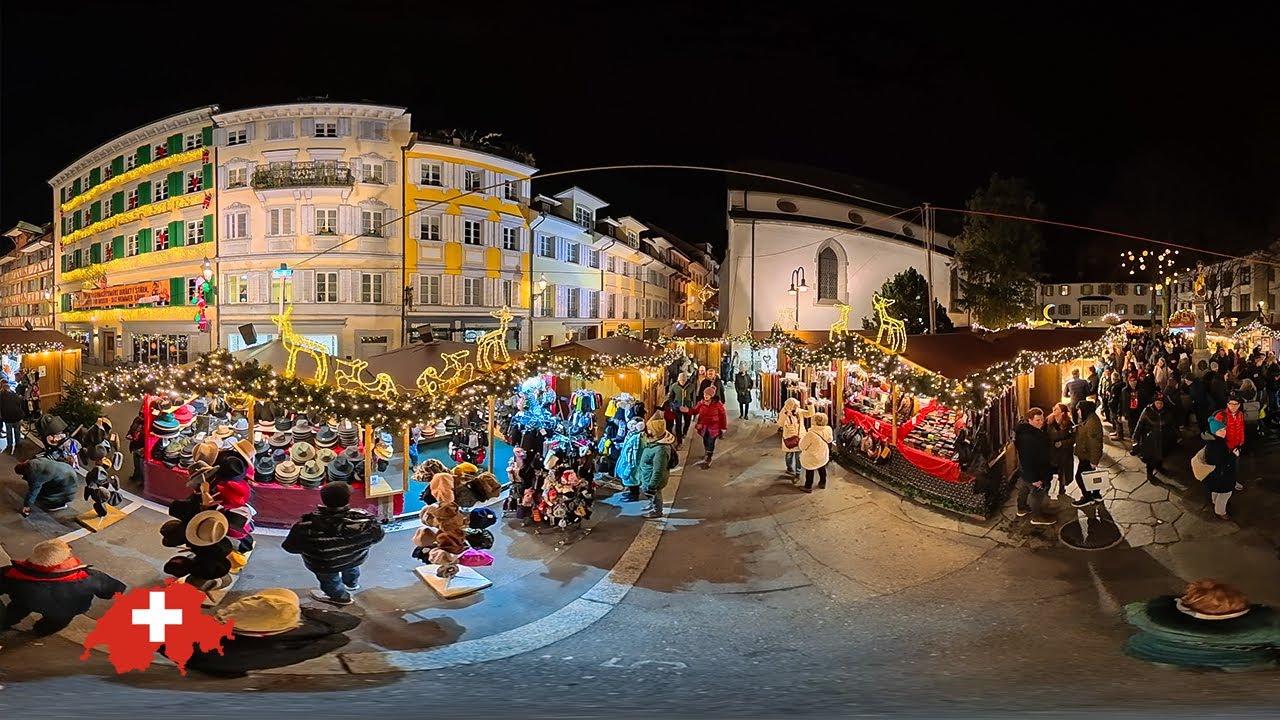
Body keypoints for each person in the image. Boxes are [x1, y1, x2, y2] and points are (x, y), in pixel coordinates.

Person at [184, 588, 359, 678]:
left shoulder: (192, 641)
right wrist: (300, 612)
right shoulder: (298, 644)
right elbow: (346, 627)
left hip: (219, 667)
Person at [281, 481, 385, 606]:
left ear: (323, 499)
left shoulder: (305, 526)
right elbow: (378, 537)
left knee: (330, 581)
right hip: (354, 557)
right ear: (348, 498)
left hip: (324, 565)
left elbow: (290, 547)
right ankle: (352, 584)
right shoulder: (365, 519)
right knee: (351, 568)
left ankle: (340, 597)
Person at [0, 539, 125, 635]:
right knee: (53, 624)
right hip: (64, 611)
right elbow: (112, 592)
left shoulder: (12, 574)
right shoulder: (90, 578)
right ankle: (40, 631)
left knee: (14, 612)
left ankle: (4, 624)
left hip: (25, 602)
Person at [1014, 408, 1055, 525]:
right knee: (1037, 493)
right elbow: (1028, 459)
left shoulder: (1027, 431)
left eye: (1042, 419)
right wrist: (1035, 478)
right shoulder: (1030, 437)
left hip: (1026, 470)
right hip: (1036, 471)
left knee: (1024, 487)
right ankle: (1037, 517)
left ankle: (1022, 508)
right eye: (1037, 420)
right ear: (1030, 420)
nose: (1041, 422)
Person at [1133, 393, 1176, 485]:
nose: (1159, 405)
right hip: (1151, 439)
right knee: (1151, 458)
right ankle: (1150, 474)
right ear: (1154, 402)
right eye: (1157, 403)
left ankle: (1159, 467)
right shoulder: (1147, 411)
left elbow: (1171, 424)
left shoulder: (1167, 411)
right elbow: (1139, 425)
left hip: (1163, 438)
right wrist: (1135, 439)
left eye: (1161, 403)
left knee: (1161, 454)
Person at [636, 417, 675, 519]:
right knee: (653, 494)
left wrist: (652, 486)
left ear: (654, 432)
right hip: (648, 475)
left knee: (655, 494)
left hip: (652, 478)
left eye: (649, 429)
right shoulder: (655, 442)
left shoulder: (660, 450)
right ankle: (653, 505)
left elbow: (658, 470)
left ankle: (657, 511)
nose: (647, 431)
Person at [1203, 416, 1239, 521]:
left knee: (1216, 490)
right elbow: (1222, 464)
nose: (1224, 432)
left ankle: (1215, 502)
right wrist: (1233, 455)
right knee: (1225, 494)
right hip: (1221, 475)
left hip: (1215, 476)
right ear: (1214, 432)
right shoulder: (1217, 446)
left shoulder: (1215, 442)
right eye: (1220, 430)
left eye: (1224, 429)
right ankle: (1220, 511)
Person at [1072, 400, 1104, 507]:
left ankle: (1087, 497)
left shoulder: (1092, 422)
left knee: (1079, 477)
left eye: (1079, 409)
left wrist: (1094, 461)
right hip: (1086, 453)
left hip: (1087, 456)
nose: (1077, 412)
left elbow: (1095, 443)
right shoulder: (1088, 418)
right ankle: (1096, 495)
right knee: (1091, 475)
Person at [692, 385, 728, 468]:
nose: (705, 396)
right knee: (705, 440)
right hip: (704, 427)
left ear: (711, 396)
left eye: (707, 395)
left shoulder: (717, 404)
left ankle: (708, 457)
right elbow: (695, 411)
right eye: (705, 394)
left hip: (714, 427)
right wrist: (688, 411)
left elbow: (723, 415)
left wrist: (723, 427)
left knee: (711, 442)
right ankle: (707, 452)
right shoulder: (701, 403)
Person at [798, 412, 833, 492]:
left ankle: (808, 486)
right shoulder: (828, 429)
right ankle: (823, 483)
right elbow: (830, 440)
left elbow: (802, 446)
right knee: (822, 467)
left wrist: (801, 439)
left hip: (812, 456)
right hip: (823, 454)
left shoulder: (811, 434)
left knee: (810, 470)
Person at [1046, 403, 1075, 498]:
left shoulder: (1069, 424)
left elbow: (1073, 438)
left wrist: (1063, 443)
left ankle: (1062, 488)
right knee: (1048, 471)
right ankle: (1046, 488)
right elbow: (1044, 434)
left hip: (1064, 453)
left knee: (1062, 472)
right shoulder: (1048, 421)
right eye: (1054, 408)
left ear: (1062, 412)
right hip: (1051, 451)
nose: (1054, 409)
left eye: (1057, 409)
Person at [666, 371, 696, 447]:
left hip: (687, 407)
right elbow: (671, 398)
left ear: (686, 380)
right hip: (677, 408)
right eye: (680, 380)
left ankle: (685, 432)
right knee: (678, 424)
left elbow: (693, 398)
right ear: (678, 380)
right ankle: (679, 441)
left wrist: (693, 408)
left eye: (684, 380)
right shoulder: (674, 386)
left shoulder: (691, 386)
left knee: (687, 422)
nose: (682, 382)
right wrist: (673, 406)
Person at [778, 397, 805, 477]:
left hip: (799, 437)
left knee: (798, 455)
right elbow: (780, 423)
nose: (796, 407)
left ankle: (798, 471)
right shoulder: (784, 412)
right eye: (795, 405)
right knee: (789, 454)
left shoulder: (799, 411)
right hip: (789, 438)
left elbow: (810, 414)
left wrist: (811, 405)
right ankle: (789, 467)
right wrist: (785, 415)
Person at [0, 382, 23, 455]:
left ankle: (9, 446)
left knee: (9, 432)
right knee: (17, 431)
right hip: (16, 416)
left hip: (7, 417)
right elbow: (19, 402)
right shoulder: (14, 394)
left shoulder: (1, 395)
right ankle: (18, 444)